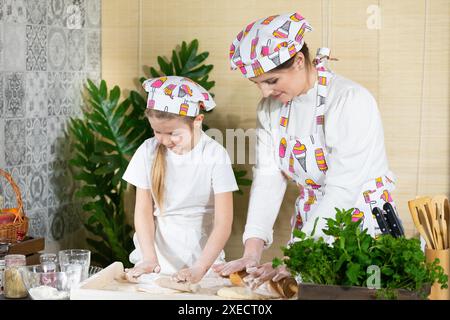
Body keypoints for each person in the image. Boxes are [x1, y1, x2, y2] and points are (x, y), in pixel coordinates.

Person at [213, 12, 403, 287]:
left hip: (361, 224)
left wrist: (300, 253)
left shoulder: (349, 100)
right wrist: (252, 251)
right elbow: (268, 177)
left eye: (272, 81)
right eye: (258, 84)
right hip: (310, 224)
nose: (265, 93)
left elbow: (343, 188)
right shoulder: (270, 109)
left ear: (299, 62)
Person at [122, 76, 238, 284]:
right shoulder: (147, 152)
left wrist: (200, 268)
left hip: (203, 262)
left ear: (197, 121)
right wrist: (149, 259)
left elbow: (223, 222)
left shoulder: (215, 155)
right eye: (157, 131)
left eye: (173, 133)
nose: (164, 140)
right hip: (155, 259)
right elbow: (143, 211)